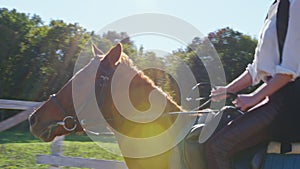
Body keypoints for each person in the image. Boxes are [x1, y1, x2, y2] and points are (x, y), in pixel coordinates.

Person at [204, 0, 300, 168]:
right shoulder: (275, 7)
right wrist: (228, 89)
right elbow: (257, 68)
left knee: (217, 147)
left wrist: (254, 98)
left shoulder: (295, 4)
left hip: (289, 102)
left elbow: (288, 70)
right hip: (274, 96)